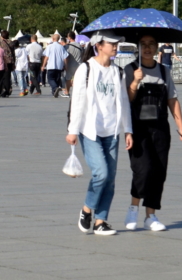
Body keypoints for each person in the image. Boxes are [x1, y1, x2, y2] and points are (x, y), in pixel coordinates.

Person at [67, 31, 133, 236]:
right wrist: (72, 130)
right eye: (111, 43)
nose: (115, 46)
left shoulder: (118, 71)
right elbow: (77, 101)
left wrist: (128, 130)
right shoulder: (86, 69)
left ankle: (101, 221)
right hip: (90, 131)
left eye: (117, 43)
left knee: (110, 179)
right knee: (101, 173)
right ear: (99, 45)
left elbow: (123, 101)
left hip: (112, 131)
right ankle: (87, 208)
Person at [124, 34, 182, 232]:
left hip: (160, 128)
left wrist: (181, 125)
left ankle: (150, 215)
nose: (147, 48)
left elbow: (172, 99)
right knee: (142, 169)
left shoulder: (163, 70)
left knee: (159, 171)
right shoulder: (130, 69)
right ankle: (133, 207)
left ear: (158, 47)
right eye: (143, 44)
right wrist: (135, 82)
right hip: (138, 129)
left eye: (151, 44)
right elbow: (127, 98)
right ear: (138, 47)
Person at [41, 33, 68, 98]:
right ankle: (54, 92)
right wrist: (66, 66)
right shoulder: (61, 47)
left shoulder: (49, 46)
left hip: (51, 66)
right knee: (57, 79)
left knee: (50, 79)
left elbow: (46, 57)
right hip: (59, 66)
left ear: (53, 39)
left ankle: (55, 88)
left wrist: (43, 65)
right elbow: (65, 57)